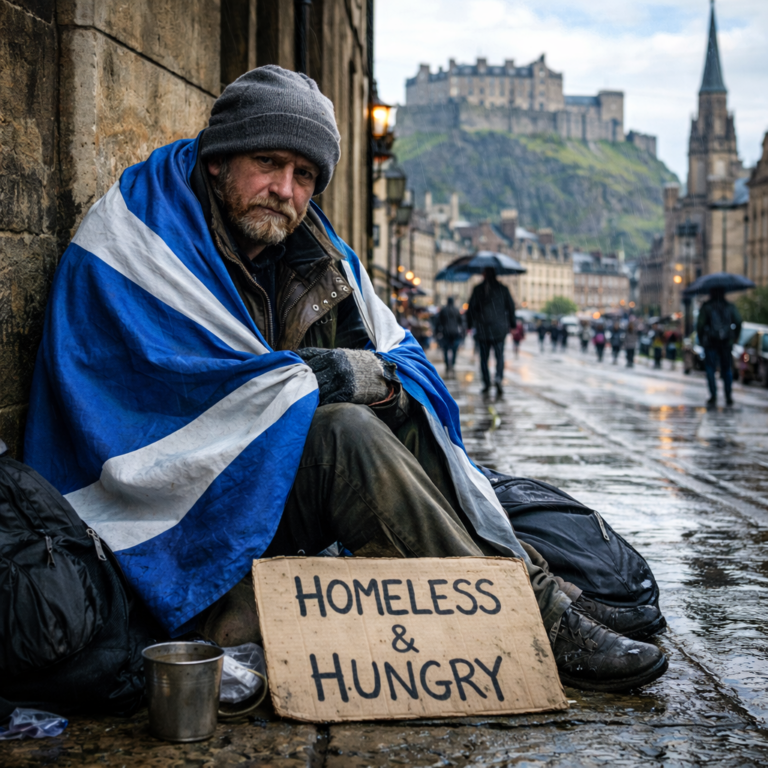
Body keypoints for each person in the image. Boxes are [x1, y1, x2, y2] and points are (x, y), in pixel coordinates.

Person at [24, 66, 666, 692]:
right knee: (344, 436)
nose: (285, 189)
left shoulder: (312, 255)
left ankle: (533, 594)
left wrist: (375, 381)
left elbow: (397, 364)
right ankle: (536, 622)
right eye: (269, 163)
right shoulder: (140, 236)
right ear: (219, 158)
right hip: (156, 508)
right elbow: (161, 397)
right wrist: (311, 382)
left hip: (260, 486)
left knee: (399, 411)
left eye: (304, 175)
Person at [466, 267, 517, 396]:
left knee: (484, 358)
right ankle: (499, 378)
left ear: (484, 275)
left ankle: (486, 383)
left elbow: (471, 308)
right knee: (500, 356)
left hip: (483, 329)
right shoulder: (503, 289)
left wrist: (470, 324)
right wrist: (512, 324)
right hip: (499, 328)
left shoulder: (478, 289)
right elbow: (511, 307)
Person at [697, 287, 742, 406]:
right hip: (726, 342)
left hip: (710, 342)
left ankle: (713, 395)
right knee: (727, 369)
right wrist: (735, 337)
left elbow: (700, 325)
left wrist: (701, 340)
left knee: (710, 368)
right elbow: (738, 321)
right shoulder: (730, 306)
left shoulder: (707, 306)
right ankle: (728, 396)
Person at [435, 297, 464, 375]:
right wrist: (462, 332)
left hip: (445, 332)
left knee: (445, 349)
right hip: (455, 332)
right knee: (454, 349)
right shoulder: (456, 310)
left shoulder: (443, 310)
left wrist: (437, 332)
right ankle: (453, 364)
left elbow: (439, 322)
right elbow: (460, 322)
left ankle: (447, 365)